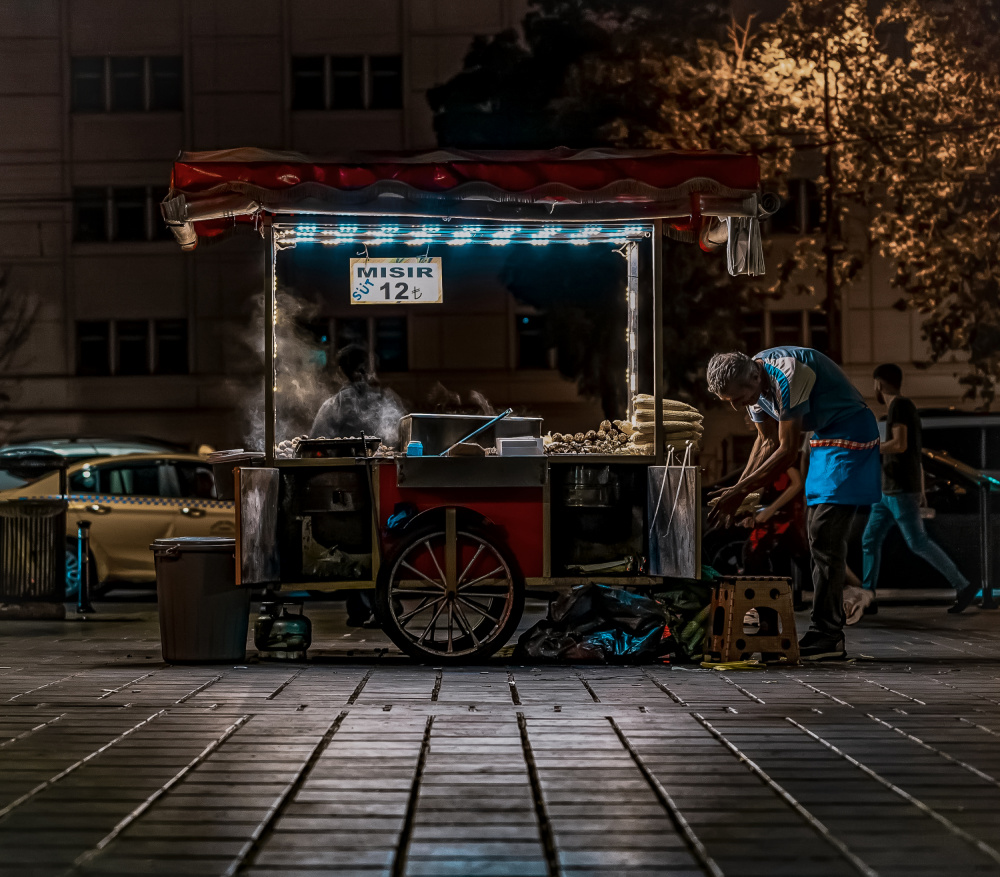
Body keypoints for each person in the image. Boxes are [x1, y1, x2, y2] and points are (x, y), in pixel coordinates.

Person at [707, 347, 881, 661]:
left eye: (737, 398)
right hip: (825, 439)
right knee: (818, 536)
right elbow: (765, 441)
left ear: (754, 376)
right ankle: (837, 615)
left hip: (851, 432)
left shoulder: (786, 374)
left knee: (824, 534)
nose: (736, 407)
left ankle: (827, 635)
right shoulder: (752, 388)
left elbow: (786, 450)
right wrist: (741, 493)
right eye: (729, 402)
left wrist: (740, 491)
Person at [861, 363, 975, 613]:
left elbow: (900, 445)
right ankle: (867, 596)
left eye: (874, 384)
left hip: (900, 490)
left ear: (879, 383)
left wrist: (870, 447)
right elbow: (915, 453)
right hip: (888, 491)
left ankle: (963, 585)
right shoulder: (900, 408)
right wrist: (921, 487)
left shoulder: (900, 406)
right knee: (870, 539)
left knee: (918, 542)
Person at [311, 344, 405, 627]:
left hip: (345, 488)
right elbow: (404, 436)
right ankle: (382, 602)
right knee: (382, 543)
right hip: (388, 484)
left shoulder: (333, 405)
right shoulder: (387, 401)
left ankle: (365, 606)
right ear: (363, 368)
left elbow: (317, 441)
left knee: (354, 546)